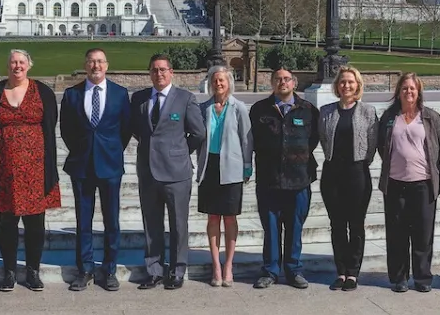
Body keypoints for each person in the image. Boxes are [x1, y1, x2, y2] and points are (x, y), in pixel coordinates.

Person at [0, 49, 60, 292]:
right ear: (7, 66)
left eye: (21, 62)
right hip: (3, 167)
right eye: (13, 62)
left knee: (35, 222)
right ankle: (10, 271)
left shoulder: (43, 91)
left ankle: (33, 271)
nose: (17, 66)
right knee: (7, 222)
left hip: (36, 168)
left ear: (29, 65)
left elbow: (50, 123)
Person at [130, 53, 205, 290]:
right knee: (151, 223)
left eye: (163, 69)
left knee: (178, 224)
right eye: (154, 70)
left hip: (177, 173)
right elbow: (135, 129)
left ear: (171, 72)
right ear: (149, 73)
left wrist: (180, 151)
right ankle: (154, 270)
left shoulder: (185, 98)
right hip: (148, 171)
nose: (159, 74)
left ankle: (177, 270)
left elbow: (199, 133)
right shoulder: (140, 98)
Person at [60, 48, 131, 291]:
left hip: (110, 165)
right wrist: (83, 149)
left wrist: (109, 150)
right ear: (85, 64)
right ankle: (85, 268)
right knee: (83, 221)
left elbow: (125, 130)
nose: (96, 66)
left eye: (100, 61)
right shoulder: (71, 94)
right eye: (91, 61)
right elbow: (66, 130)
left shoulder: (120, 94)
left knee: (112, 221)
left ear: (107, 65)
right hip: (82, 165)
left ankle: (109, 269)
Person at [249, 67, 319, 290]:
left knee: (295, 227)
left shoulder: (308, 110)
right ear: (272, 83)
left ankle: (293, 269)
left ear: (294, 83)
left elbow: (314, 139)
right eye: (278, 79)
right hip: (269, 179)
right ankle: (270, 270)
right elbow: (254, 141)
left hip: (299, 179)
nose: (282, 83)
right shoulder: (259, 109)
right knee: (270, 228)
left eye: (287, 79)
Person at [378, 72, 440, 293]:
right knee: (397, 233)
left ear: (419, 92)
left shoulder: (430, 117)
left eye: (412, 88)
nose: (408, 92)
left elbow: (439, 146)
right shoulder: (389, 117)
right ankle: (399, 278)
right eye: (404, 88)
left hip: (423, 185)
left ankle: (423, 278)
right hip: (395, 184)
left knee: (423, 234)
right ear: (398, 92)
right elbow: (381, 146)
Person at [318, 66, 378, 291]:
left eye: (351, 82)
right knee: (337, 225)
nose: (346, 85)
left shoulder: (368, 112)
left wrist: (362, 160)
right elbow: (324, 140)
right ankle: (341, 271)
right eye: (342, 82)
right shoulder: (326, 111)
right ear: (337, 85)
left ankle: (353, 272)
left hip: (357, 173)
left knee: (356, 224)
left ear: (358, 85)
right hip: (332, 173)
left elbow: (372, 144)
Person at [196, 65, 252, 288]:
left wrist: (247, 167)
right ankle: (216, 265)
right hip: (209, 166)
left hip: (231, 167)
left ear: (229, 82)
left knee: (229, 218)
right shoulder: (204, 108)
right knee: (212, 218)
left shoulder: (238, 107)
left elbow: (247, 139)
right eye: (215, 80)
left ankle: (228, 264)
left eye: (222, 80)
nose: (218, 84)